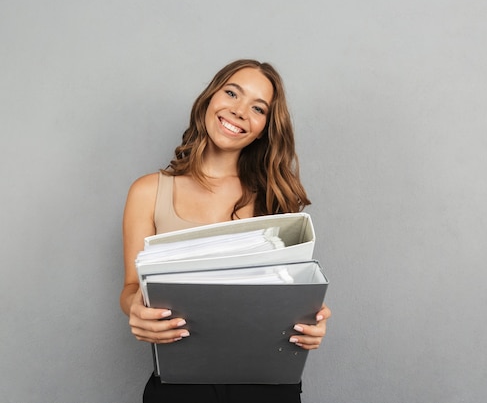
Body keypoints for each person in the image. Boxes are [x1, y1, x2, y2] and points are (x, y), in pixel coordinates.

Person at [120, 59, 331, 403]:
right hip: (179, 387)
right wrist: (135, 309)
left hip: (267, 387)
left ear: (264, 128)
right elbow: (131, 287)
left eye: (258, 108)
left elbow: (291, 287)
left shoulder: (275, 196)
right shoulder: (147, 191)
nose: (238, 111)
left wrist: (313, 318)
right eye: (232, 93)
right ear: (209, 98)